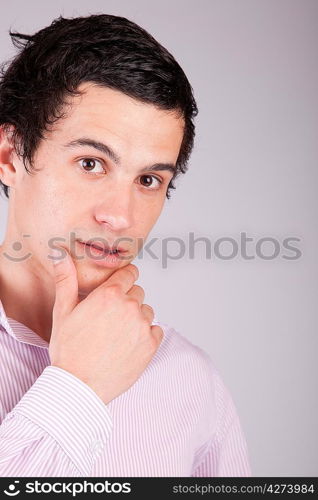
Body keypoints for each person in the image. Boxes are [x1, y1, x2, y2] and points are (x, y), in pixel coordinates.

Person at [0, 13, 251, 477]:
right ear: (10, 156)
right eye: (91, 163)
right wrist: (78, 386)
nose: (121, 216)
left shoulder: (191, 382)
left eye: (149, 179)